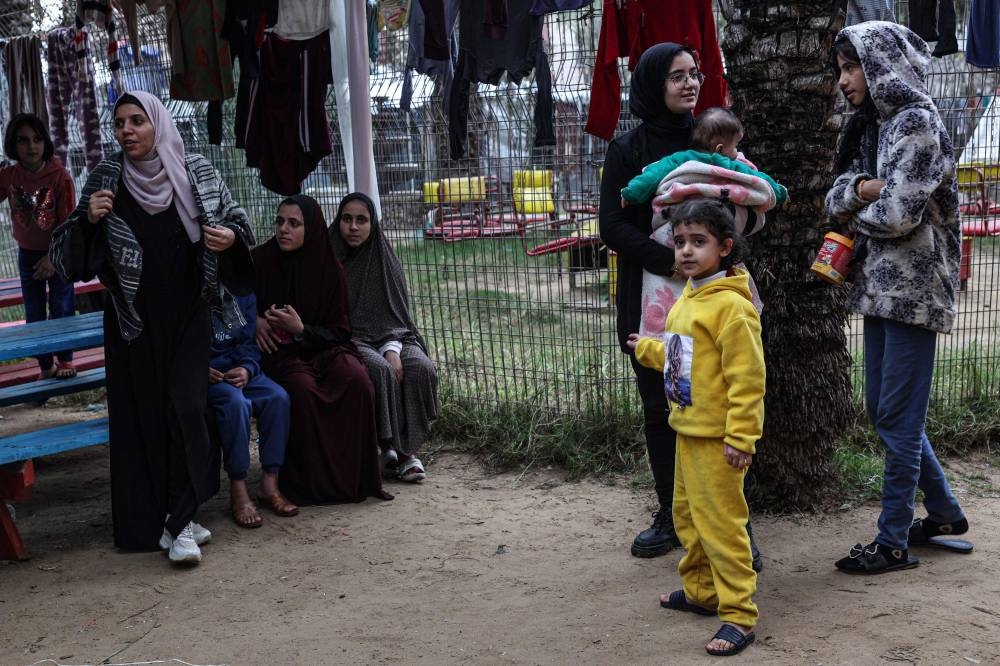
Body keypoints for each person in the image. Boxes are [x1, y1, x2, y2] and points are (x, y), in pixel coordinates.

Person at [50, 90, 255, 565]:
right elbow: (67, 258)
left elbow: (239, 228)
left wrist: (228, 241)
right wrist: (89, 220)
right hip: (132, 325)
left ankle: (181, 519)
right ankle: (157, 522)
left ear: (157, 124)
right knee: (143, 420)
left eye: (137, 121)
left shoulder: (196, 171)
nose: (127, 131)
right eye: (120, 123)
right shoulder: (107, 178)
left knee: (186, 410)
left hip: (188, 318)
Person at [599, 43, 762, 568]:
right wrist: (673, 263)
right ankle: (673, 515)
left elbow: (747, 199)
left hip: (714, 297)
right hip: (654, 297)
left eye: (694, 74)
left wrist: (729, 238)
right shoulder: (628, 148)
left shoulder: (714, 140)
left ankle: (733, 523)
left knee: (717, 400)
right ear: (653, 84)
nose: (689, 84)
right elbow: (613, 225)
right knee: (662, 407)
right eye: (676, 76)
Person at [826, 22, 968, 574]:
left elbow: (899, 214)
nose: (843, 80)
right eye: (840, 68)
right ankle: (944, 514)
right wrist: (864, 187)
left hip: (915, 289)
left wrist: (858, 199)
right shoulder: (876, 125)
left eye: (851, 66)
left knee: (898, 417)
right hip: (882, 288)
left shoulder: (918, 125)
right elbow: (836, 192)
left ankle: (891, 542)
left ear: (882, 65)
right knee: (885, 412)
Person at [628, 198, 763, 657]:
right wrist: (648, 349)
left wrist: (741, 438)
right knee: (686, 517)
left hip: (719, 441)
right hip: (687, 429)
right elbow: (684, 358)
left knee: (722, 526)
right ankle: (703, 592)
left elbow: (748, 381)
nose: (685, 250)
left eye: (698, 242)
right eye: (680, 241)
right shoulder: (690, 296)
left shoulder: (732, 309)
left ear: (725, 248)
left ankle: (739, 616)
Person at [252, 194, 391, 506]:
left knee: (357, 382)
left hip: (325, 348)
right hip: (281, 354)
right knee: (301, 390)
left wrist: (302, 330)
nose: (283, 229)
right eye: (279, 222)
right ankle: (307, 485)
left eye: (294, 223)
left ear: (311, 228)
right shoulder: (259, 261)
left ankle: (348, 480)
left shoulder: (329, 268)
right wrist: (255, 321)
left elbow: (340, 330)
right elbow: (232, 301)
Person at [330, 192, 438, 483]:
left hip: (399, 338)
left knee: (421, 368)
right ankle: (396, 452)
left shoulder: (386, 261)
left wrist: (392, 348)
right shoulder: (329, 261)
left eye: (361, 220)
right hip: (350, 340)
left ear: (372, 224)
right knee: (380, 371)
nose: (353, 227)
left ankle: (407, 448)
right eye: (347, 219)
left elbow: (400, 319)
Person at [208, 291, 296, 528]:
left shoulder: (242, 291)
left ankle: (270, 483)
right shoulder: (191, 289)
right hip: (211, 377)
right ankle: (238, 488)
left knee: (278, 397)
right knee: (237, 405)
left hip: (242, 372)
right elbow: (181, 342)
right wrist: (198, 368)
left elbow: (248, 343)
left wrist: (247, 369)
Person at [0, 113, 77, 379]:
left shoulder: (60, 177)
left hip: (59, 253)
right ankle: (46, 365)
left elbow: (69, 223)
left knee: (61, 305)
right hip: (27, 255)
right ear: (12, 144)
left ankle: (66, 359)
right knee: (34, 311)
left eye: (37, 139)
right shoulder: (9, 176)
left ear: (45, 142)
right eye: (23, 140)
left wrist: (53, 258)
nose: (31, 146)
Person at [619, 107, 788, 211]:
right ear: (719, 149)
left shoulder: (681, 158)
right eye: (735, 146)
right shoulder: (729, 164)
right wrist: (779, 192)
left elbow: (654, 174)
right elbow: (757, 179)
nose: (737, 152)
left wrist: (633, 193)